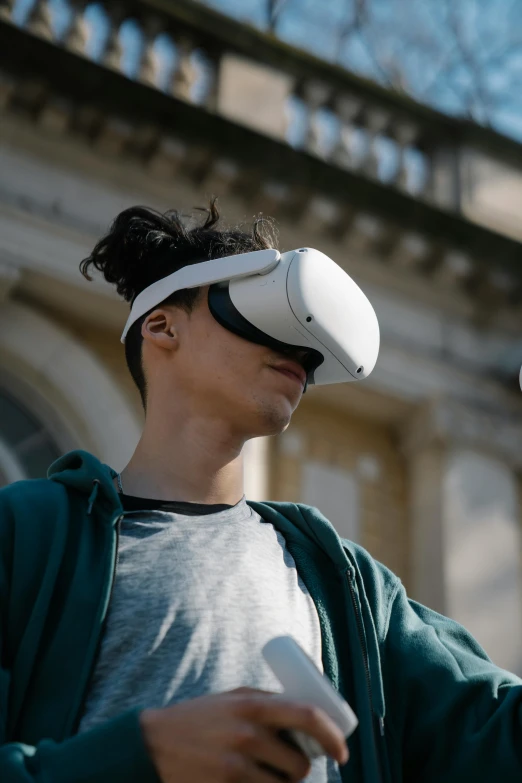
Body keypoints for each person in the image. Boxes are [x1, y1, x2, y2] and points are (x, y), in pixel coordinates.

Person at [0, 200, 521, 783]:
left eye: (310, 344)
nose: (302, 352)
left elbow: (497, 735)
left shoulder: (347, 589)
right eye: (265, 314)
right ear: (163, 326)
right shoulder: (26, 534)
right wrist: (137, 757)